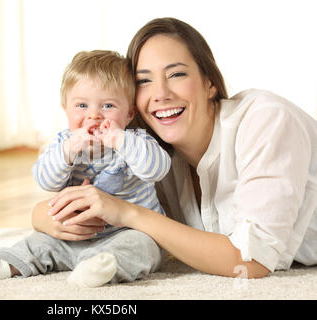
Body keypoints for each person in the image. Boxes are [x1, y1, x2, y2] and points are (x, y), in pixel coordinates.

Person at [33, 17, 317, 279]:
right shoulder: (145, 147)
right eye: (144, 80)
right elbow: (76, 203)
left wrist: (128, 213)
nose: (160, 94)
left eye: (177, 74)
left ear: (209, 83)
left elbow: (251, 261)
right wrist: (49, 217)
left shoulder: (266, 120)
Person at [0, 50, 171, 287]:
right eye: (81, 105)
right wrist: (68, 152)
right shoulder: (64, 143)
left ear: (129, 113)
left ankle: (96, 270)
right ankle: (1, 265)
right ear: (66, 109)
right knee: (39, 243)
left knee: (142, 247)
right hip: (73, 235)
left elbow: (156, 170)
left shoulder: (136, 140)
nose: (93, 115)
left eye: (107, 105)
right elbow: (45, 180)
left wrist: (120, 139)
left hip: (126, 232)